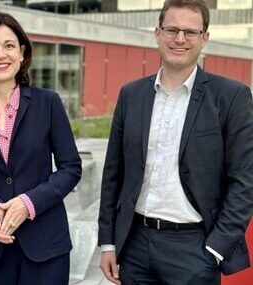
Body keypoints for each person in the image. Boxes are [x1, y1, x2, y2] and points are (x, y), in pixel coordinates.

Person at [98, 0, 253, 284]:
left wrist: (216, 248)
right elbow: (113, 174)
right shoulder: (131, 95)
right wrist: (108, 242)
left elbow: (245, 180)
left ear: (205, 38)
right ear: (157, 33)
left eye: (190, 32)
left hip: (194, 248)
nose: (180, 39)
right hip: (134, 245)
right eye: (172, 30)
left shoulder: (231, 97)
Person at [0, 12, 82, 285]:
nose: (1, 55)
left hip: (45, 245)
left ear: (22, 53)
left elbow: (70, 168)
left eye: (9, 46)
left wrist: (27, 203)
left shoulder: (48, 103)